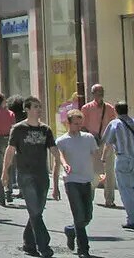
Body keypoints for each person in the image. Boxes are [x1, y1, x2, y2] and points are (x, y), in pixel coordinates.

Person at [2, 96, 61, 258]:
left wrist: (62, 161)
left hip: (42, 175)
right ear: (26, 109)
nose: (38, 109)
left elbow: (54, 150)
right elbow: (10, 150)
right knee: (35, 211)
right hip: (25, 175)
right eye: (35, 106)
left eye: (39, 106)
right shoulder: (18, 129)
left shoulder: (45, 130)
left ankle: (28, 243)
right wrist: (5, 172)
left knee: (37, 211)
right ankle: (44, 245)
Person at [57, 108, 99, 257]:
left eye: (80, 124)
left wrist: (100, 173)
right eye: (75, 124)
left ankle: (70, 230)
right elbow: (60, 156)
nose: (78, 127)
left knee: (87, 216)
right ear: (68, 123)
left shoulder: (88, 138)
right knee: (79, 216)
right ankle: (83, 249)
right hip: (72, 180)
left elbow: (95, 154)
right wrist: (65, 164)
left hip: (86, 180)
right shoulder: (62, 141)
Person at [82, 83, 117, 207]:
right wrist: (92, 135)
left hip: (107, 143)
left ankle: (109, 199)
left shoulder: (110, 108)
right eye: (97, 91)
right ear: (93, 94)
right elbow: (83, 126)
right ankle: (89, 196)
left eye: (102, 91)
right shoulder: (86, 108)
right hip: (93, 143)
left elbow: (113, 125)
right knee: (94, 172)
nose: (100, 94)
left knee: (110, 172)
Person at [100, 100, 134, 230]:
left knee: (126, 190)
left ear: (115, 110)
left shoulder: (115, 124)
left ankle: (131, 219)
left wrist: (103, 158)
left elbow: (107, 143)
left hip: (123, 159)